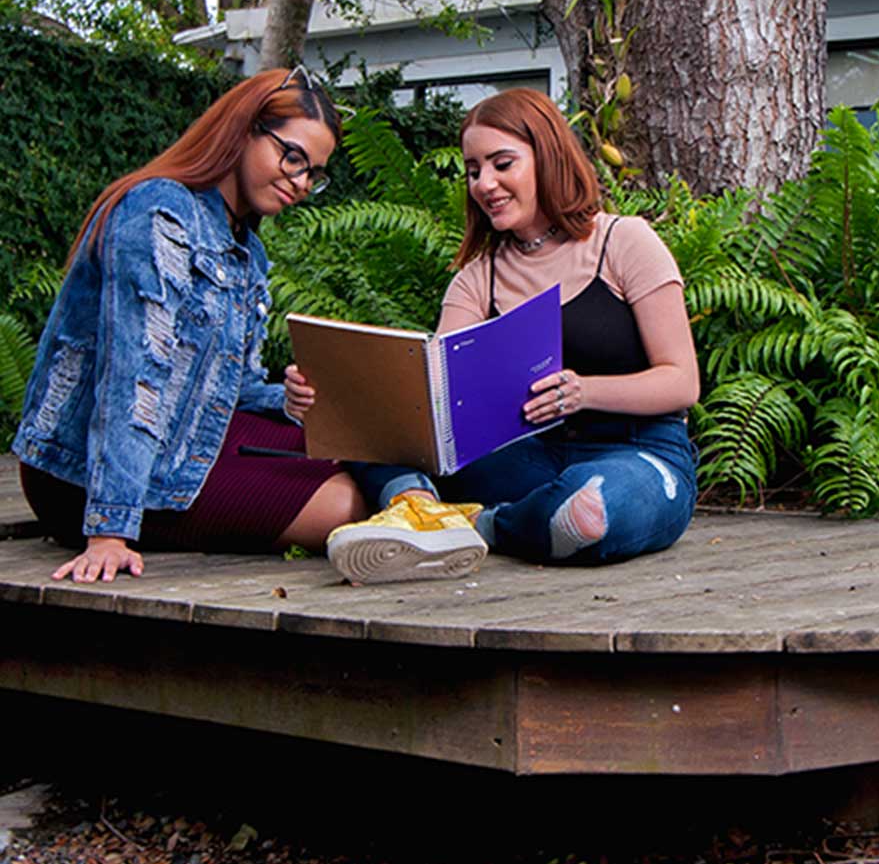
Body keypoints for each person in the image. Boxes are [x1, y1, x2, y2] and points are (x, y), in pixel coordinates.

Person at [314, 89, 700, 582]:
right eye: (474, 170)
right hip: (522, 460)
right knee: (367, 428)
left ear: (548, 158)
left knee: (588, 511)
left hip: (633, 455)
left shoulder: (624, 242)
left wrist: (582, 391)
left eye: (502, 164)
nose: (485, 184)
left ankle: (473, 524)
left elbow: (682, 382)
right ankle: (415, 508)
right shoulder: (477, 278)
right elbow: (437, 391)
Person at [11, 67, 368, 583]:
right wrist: (109, 531)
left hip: (188, 434)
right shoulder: (158, 214)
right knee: (344, 503)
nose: (302, 183)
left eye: (314, 172)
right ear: (244, 130)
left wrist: (288, 401)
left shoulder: (247, 248)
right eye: (292, 158)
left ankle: (432, 516)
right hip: (81, 478)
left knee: (354, 452)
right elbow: (131, 374)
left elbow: (231, 387)